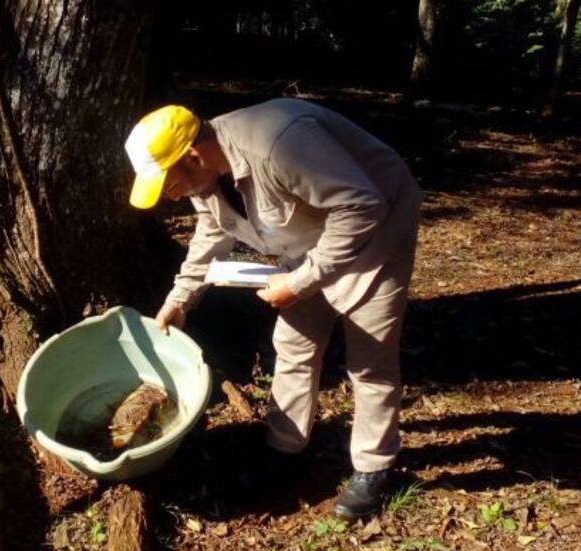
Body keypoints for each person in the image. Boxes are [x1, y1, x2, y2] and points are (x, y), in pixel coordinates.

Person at [123, 99, 422, 520]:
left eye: (168, 183)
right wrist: (180, 299)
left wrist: (299, 281)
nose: (169, 196)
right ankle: (285, 451)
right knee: (293, 345)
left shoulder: (277, 144)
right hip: (307, 241)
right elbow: (212, 233)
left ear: (193, 155)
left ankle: (374, 467)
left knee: (369, 361)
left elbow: (362, 206)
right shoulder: (206, 177)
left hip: (378, 228)